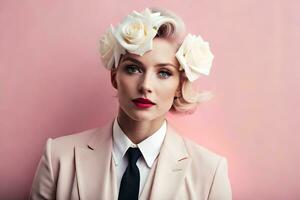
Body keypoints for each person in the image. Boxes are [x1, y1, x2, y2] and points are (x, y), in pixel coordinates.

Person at [29, 8, 232, 200]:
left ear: (179, 86)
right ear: (114, 76)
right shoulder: (59, 156)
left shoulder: (209, 172)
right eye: (133, 69)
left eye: (164, 73)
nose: (145, 86)